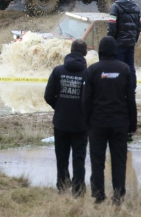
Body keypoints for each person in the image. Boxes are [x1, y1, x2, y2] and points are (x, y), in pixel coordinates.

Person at [83, 36, 137, 205]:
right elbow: (130, 99)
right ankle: (118, 195)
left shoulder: (92, 70)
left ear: (100, 51)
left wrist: (87, 123)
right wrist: (133, 124)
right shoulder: (125, 69)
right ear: (115, 51)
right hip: (120, 123)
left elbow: (86, 100)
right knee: (119, 161)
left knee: (97, 160)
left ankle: (98, 195)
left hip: (97, 123)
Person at [44, 39, 88, 197]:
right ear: (85, 53)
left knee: (61, 157)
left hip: (61, 122)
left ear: (70, 50)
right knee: (79, 158)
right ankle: (78, 190)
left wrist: (60, 106)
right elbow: (92, 100)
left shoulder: (58, 71)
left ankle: (62, 186)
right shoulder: (88, 73)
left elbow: (48, 95)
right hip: (81, 124)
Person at [107, 0, 141, 94]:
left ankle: (118, 89)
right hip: (130, 42)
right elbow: (139, 26)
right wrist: (134, 40)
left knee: (118, 67)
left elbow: (112, 26)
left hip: (119, 43)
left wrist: (110, 41)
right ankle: (132, 88)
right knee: (130, 66)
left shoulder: (115, 6)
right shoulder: (136, 6)